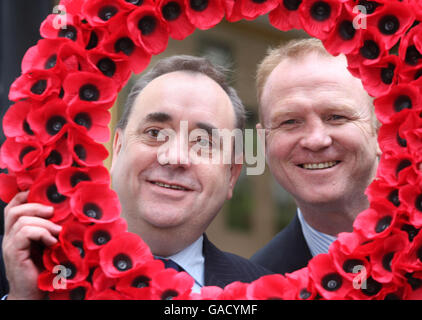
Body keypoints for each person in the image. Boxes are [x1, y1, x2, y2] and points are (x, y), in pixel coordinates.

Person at [1, 55, 271, 300]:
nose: (174, 157)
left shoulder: (263, 291)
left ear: (232, 175)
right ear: (117, 149)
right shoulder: (41, 269)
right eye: (154, 133)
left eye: (202, 142)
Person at [250, 39, 381, 275]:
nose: (315, 140)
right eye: (290, 122)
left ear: (379, 129)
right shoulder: (254, 284)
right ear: (264, 142)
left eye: (336, 117)